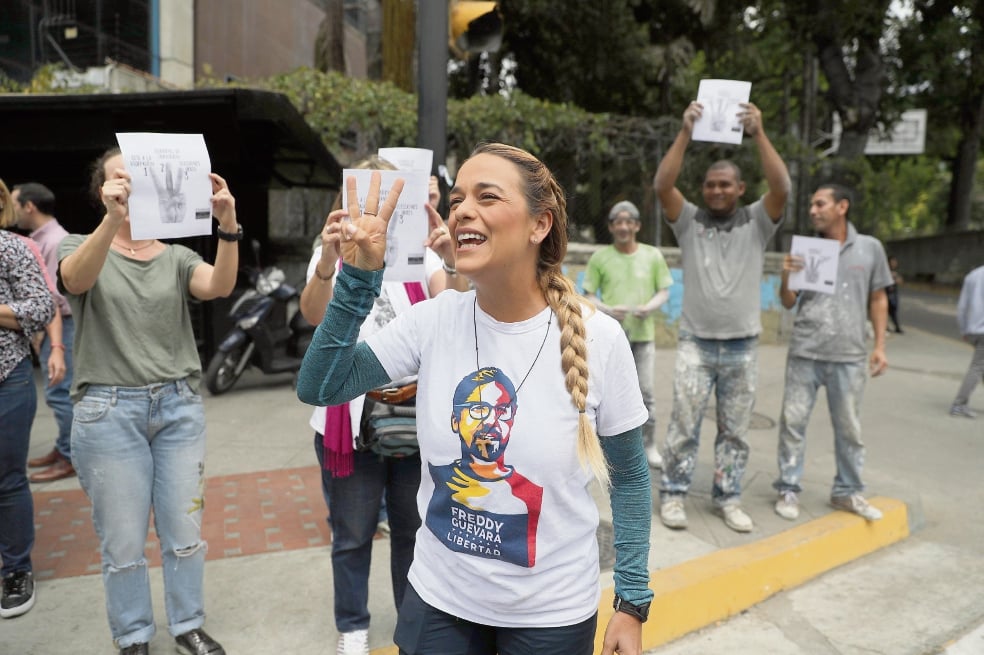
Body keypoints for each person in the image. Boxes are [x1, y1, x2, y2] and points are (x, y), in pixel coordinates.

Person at [298, 143, 653, 655]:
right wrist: (358, 277)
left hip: (550, 617)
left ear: (540, 225)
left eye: (487, 197)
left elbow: (631, 478)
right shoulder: (434, 320)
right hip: (438, 603)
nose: (462, 209)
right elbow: (321, 386)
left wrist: (632, 600)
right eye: (458, 198)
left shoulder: (602, 340)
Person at [57, 147, 238, 655]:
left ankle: (188, 625)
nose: (129, 186)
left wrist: (227, 224)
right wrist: (113, 220)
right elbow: (75, 280)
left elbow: (219, 285)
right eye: (119, 178)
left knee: (184, 530)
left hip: (178, 407)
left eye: (137, 178)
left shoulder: (177, 255)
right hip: (108, 412)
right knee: (122, 541)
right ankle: (134, 634)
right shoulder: (77, 244)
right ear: (103, 189)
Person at [299, 158, 467, 655]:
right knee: (351, 535)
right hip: (350, 421)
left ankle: (410, 625)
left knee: (414, 534)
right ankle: (352, 626)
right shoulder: (333, 248)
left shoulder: (422, 252)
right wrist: (330, 260)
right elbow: (313, 313)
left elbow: (455, 306)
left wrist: (452, 260)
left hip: (415, 421)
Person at [652, 101, 790, 533]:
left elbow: (783, 187)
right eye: (710, 184)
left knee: (735, 430)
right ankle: (673, 494)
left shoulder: (757, 222)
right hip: (695, 342)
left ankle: (728, 497)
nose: (715, 191)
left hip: (743, 345)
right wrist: (685, 133)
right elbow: (662, 186)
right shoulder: (689, 220)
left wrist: (760, 134)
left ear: (740, 188)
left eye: (724, 185)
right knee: (684, 425)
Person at [773, 183, 891, 522]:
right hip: (805, 351)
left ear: (842, 207)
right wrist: (786, 276)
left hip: (850, 355)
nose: (812, 210)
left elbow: (878, 298)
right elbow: (788, 301)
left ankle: (848, 491)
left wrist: (880, 346)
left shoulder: (870, 248)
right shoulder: (807, 251)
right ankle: (789, 488)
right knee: (793, 422)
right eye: (811, 204)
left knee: (849, 428)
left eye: (819, 203)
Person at [582, 200, 673, 469]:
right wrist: (607, 309)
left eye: (628, 221)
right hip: (608, 339)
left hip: (642, 336)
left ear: (637, 225)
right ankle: (602, 451)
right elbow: (587, 294)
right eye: (617, 222)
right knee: (601, 393)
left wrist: (650, 307)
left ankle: (649, 446)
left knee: (645, 393)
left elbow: (664, 290)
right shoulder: (600, 257)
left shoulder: (652, 255)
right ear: (610, 227)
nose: (623, 227)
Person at [0, 179, 55, 619]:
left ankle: (16, 570)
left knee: (7, 479)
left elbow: (41, 307)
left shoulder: (13, 248)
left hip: (8, 379)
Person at [11, 182, 77, 482]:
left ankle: (71, 455)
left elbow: (51, 298)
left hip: (62, 325)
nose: (9, 209)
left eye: (13, 202)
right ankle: (64, 448)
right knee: (58, 391)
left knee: (60, 391)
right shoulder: (44, 238)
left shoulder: (52, 241)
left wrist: (49, 338)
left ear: (29, 206)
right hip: (57, 324)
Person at [949, 264, 984, 419]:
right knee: (977, 367)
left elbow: (962, 306)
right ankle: (959, 404)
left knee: (980, 365)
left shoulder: (973, 275)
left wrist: (963, 329)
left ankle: (959, 404)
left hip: (973, 329)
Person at [886, 255, 904, 334]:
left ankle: (896, 326)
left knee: (893, 310)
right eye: (892, 262)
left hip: (893, 294)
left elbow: (900, 282)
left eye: (895, 262)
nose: (894, 263)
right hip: (886, 293)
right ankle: (886, 326)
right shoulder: (885, 271)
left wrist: (896, 278)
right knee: (885, 310)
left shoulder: (896, 272)